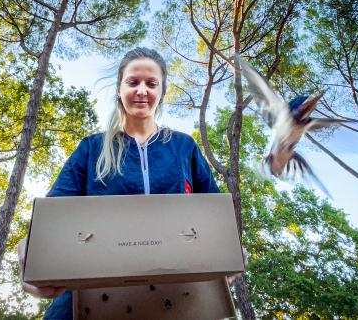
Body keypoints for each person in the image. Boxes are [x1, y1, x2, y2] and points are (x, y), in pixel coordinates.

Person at [18, 47, 221, 319]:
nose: (142, 90)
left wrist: (230, 250)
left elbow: (214, 216)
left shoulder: (184, 147)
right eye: (133, 82)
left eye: (151, 83)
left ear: (161, 91)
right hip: (88, 299)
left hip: (175, 300)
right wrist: (33, 247)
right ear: (119, 89)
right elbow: (54, 214)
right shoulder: (91, 148)